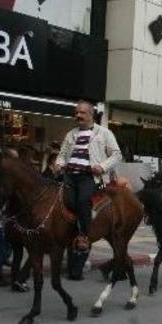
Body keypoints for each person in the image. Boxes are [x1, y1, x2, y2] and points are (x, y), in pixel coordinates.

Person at [54, 100, 122, 252]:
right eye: (77, 112)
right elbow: (63, 154)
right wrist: (58, 164)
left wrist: (102, 166)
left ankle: (84, 235)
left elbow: (117, 155)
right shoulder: (71, 134)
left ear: (91, 114)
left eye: (82, 112)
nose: (78, 115)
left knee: (82, 200)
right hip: (69, 175)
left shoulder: (104, 133)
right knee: (63, 200)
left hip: (89, 176)